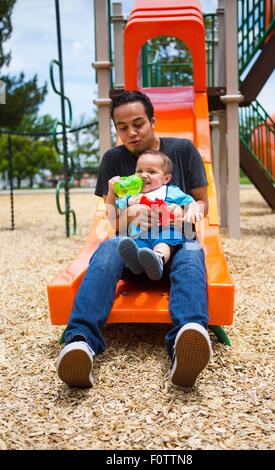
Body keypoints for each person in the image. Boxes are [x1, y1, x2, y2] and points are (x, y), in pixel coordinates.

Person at [56, 90, 213, 389]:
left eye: (138, 123)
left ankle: (187, 336)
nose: (131, 132)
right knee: (109, 245)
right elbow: (112, 224)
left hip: (173, 248)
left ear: (153, 121)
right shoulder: (113, 161)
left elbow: (202, 205)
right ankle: (80, 341)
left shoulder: (182, 150)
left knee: (193, 248)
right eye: (123, 127)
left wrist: (184, 212)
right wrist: (131, 214)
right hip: (134, 251)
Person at [106, 150, 203, 281]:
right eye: (139, 171)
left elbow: (191, 202)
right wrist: (112, 192)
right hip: (139, 234)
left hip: (165, 230)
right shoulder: (131, 196)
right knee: (133, 244)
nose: (143, 175)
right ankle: (136, 262)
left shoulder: (170, 191)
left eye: (151, 172)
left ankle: (159, 258)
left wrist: (191, 209)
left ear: (166, 178)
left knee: (165, 241)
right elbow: (113, 213)